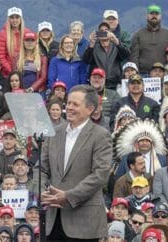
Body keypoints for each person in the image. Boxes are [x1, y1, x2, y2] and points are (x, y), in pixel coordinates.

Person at [38, 84, 112, 241]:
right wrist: (41, 190)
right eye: (69, 103)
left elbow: (100, 175)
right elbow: (42, 169)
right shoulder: (53, 133)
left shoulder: (101, 136)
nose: (70, 107)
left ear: (90, 109)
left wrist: (68, 196)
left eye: (75, 104)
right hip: (53, 221)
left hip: (84, 223)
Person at [83, 22, 130, 90]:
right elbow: (86, 60)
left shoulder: (115, 45)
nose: (104, 32)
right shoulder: (94, 46)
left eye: (106, 30)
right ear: (98, 33)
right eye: (101, 31)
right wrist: (91, 44)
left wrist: (116, 41)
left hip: (115, 83)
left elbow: (126, 55)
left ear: (110, 32)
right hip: (98, 82)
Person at [129, 4, 168, 74]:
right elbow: (134, 57)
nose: (154, 16)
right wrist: (136, 73)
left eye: (156, 14)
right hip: (143, 74)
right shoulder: (138, 34)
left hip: (164, 73)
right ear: (147, 16)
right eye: (151, 14)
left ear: (160, 16)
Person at [0, 6, 30, 77]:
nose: (14, 20)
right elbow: (0, 57)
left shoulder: (27, 32)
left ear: (21, 19)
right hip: (7, 74)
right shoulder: (2, 34)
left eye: (17, 17)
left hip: (25, 71)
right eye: (12, 17)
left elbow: (31, 53)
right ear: (8, 19)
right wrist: (12, 71)